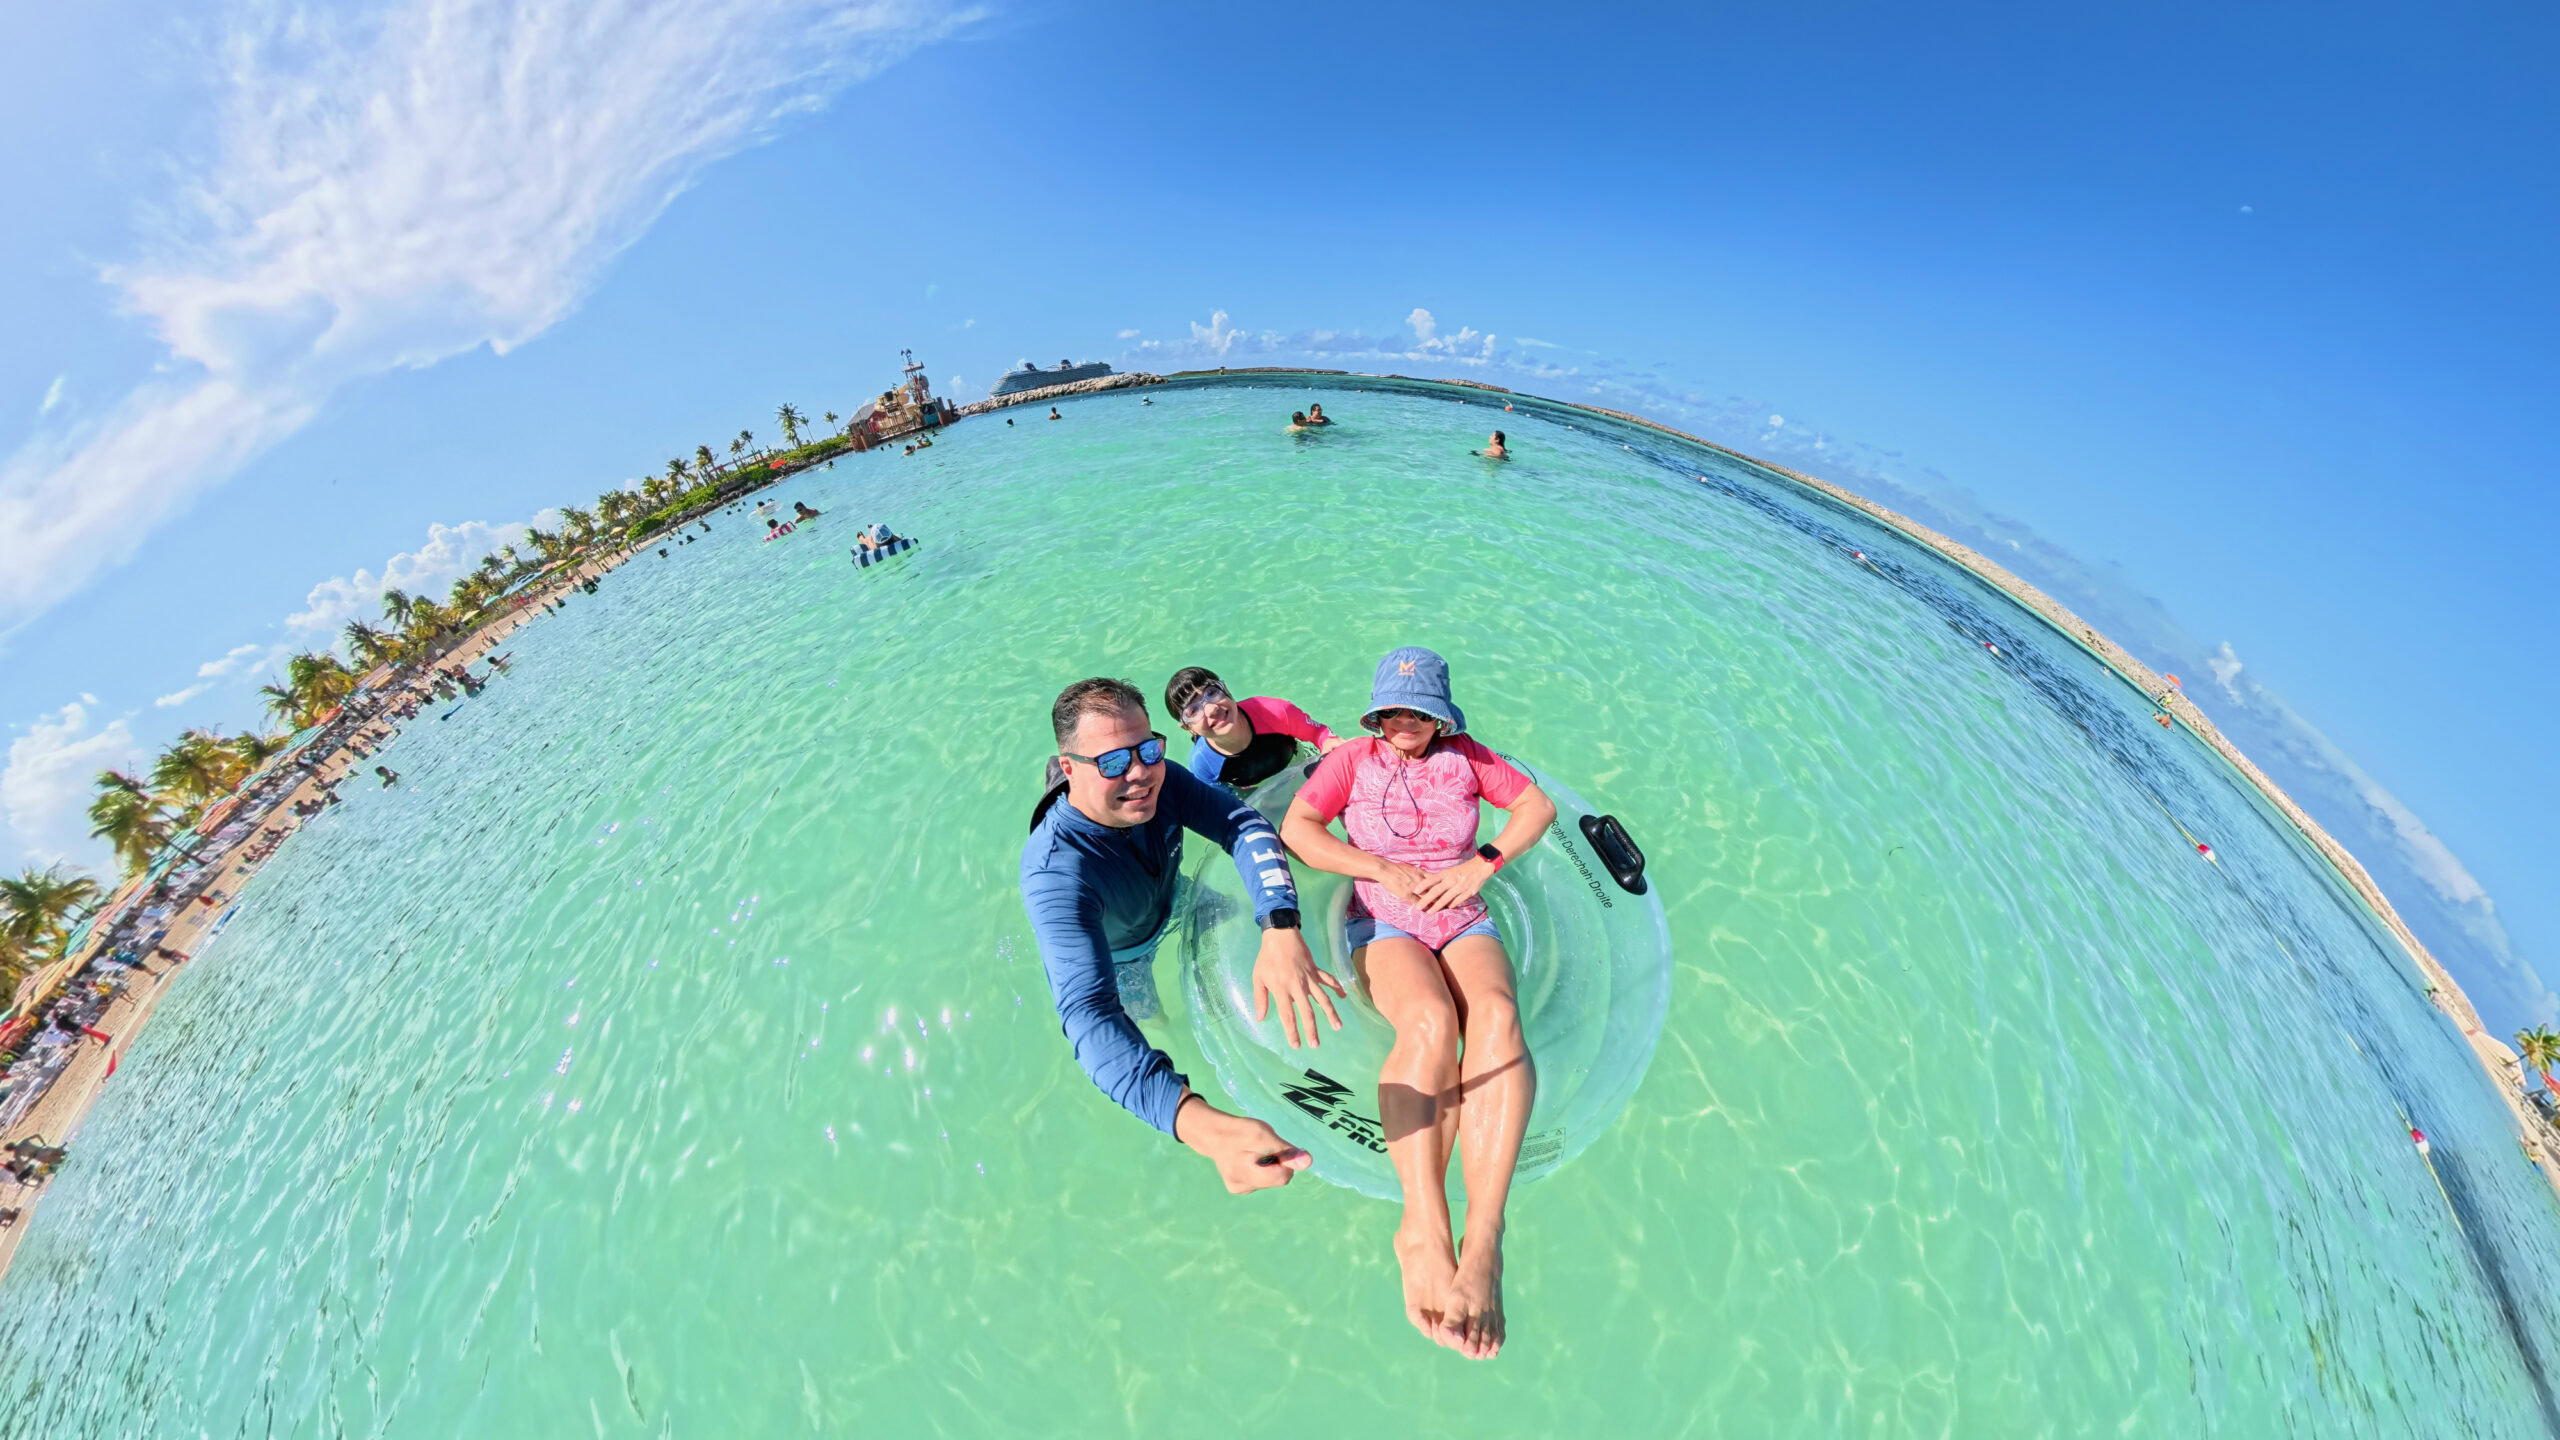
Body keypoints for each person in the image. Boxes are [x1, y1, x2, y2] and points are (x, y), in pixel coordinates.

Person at [1278, 647, 1557, 1360]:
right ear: (1375, 714)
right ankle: (1424, 1226)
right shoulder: (1352, 762)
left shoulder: (1469, 757)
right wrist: (1376, 868)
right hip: (1383, 917)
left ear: (1442, 716)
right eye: (1393, 710)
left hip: (1462, 914)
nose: (1406, 721)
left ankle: (1486, 1239)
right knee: (1431, 1022)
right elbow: (1300, 832)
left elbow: (1536, 806)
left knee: (1494, 1016)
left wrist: (1482, 866)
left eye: (1421, 711)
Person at [1021, 677, 1343, 1195]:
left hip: (1176, 894)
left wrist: (1280, 925)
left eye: (1147, 749)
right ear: (1068, 770)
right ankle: (1170, 1029)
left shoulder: (1164, 778)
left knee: (1246, 922)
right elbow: (1088, 1013)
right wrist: (1201, 1126)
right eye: (1110, 763)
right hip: (1125, 955)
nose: (1140, 774)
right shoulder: (1056, 876)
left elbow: (1240, 822)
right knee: (1152, 1018)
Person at [1166, 667, 1345, 790]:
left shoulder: (1273, 712)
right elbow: (1222, 807)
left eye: (1212, 693)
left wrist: (1330, 742)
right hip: (1252, 792)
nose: (1212, 709)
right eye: (1193, 710)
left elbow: (1318, 733)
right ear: (1188, 729)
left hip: (1296, 764)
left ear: (1225, 689)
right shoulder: (1203, 764)